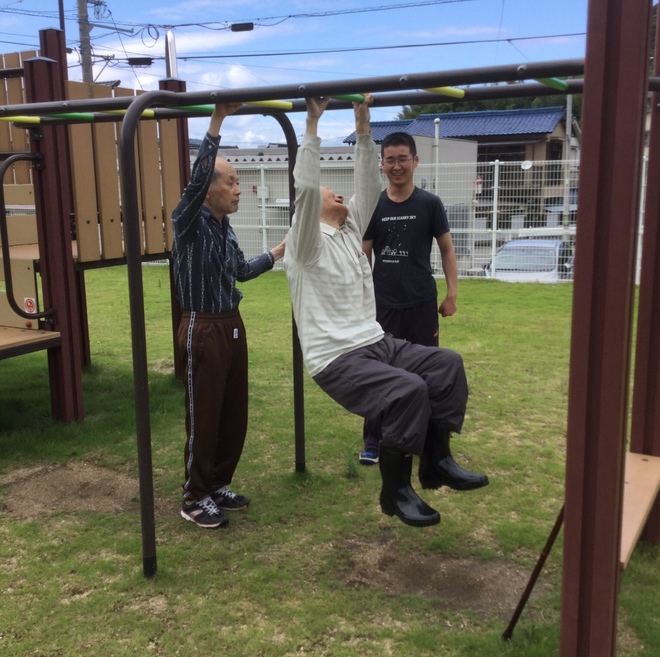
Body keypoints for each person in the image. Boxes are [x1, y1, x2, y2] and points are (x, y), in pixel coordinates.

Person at [283, 96, 487, 528]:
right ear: (312, 211)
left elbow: (366, 181)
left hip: (374, 341)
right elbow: (306, 190)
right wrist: (312, 124)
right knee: (407, 390)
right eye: (331, 194)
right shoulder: (305, 245)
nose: (340, 195)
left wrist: (363, 126)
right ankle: (394, 490)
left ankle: (436, 461)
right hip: (336, 357)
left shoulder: (350, 229)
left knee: (446, 365)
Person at [171, 102, 286, 529]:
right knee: (204, 415)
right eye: (232, 182)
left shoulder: (225, 228)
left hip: (231, 324)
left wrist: (279, 251)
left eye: (238, 182)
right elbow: (199, 174)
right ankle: (194, 496)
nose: (239, 189)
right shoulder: (188, 222)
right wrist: (217, 120)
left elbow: (240, 271)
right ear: (209, 188)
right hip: (202, 326)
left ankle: (217, 484)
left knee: (233, 413)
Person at [359, 132, 458, 465]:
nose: (396, 166)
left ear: (415, 161)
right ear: (382, 164)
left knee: (429, 370)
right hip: (383, 305)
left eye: (403, 159)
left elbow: (447, 249)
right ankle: (374, 439)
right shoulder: (374, 205)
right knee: (379, 371)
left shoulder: (429, 203)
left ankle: (427, 439)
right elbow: (364, 255)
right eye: (390, 160)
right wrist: (362, 298)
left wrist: (452, 294)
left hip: (421, 304)